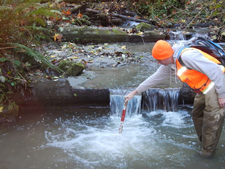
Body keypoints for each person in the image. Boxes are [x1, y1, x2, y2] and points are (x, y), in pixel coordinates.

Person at [125, 39, 225, 157]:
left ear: (166, 56)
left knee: (212, 119)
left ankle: (207, 153)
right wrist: (135, 92)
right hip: (205, 87)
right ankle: (206, 143)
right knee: (197, 114)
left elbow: (216, 71)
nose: (158, 63)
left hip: (218, 83)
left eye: (159, 60)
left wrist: (222, 95)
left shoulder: (187, 56)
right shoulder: (171, 63)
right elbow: (154, 78)